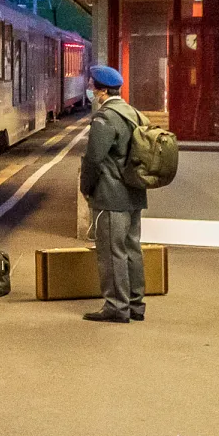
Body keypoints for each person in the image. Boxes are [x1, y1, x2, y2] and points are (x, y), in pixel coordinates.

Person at [79, 65, 147, 323]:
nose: (90, 91)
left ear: (102, 90)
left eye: (92, 87)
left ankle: (116, 307)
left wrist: (86, 188)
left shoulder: (105, 117)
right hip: (134, 193)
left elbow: (94, 159)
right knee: (131, 248)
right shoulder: (134, 113)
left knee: (111, 252)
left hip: (110, 195)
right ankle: (135, 304)